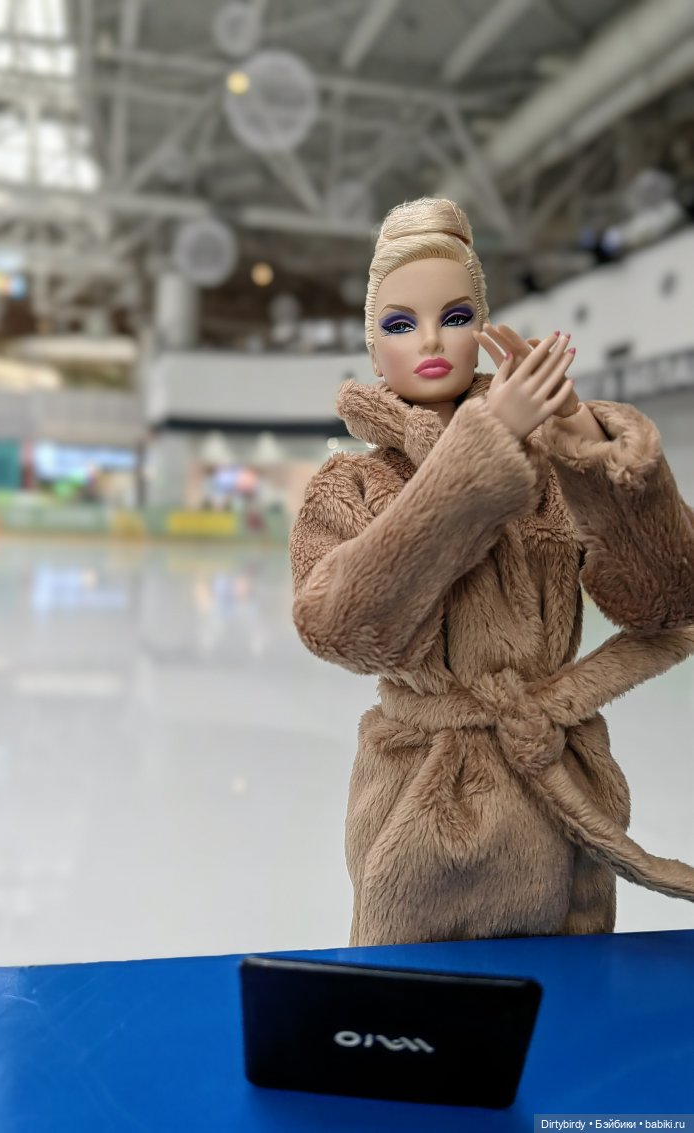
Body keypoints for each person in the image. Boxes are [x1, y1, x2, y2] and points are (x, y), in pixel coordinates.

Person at [290, 197, 694, 946]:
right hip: (422, 799)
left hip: (559, 788)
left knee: (574, 1000)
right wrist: (478, 456)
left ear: (482, 330)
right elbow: (341, 627)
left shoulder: (551, 468)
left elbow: (665, 599)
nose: (431, 340)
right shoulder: (349, 485)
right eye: (399, 324)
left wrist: (589, 454)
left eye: (456, 315)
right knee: (417, 1003)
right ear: (373, 350)